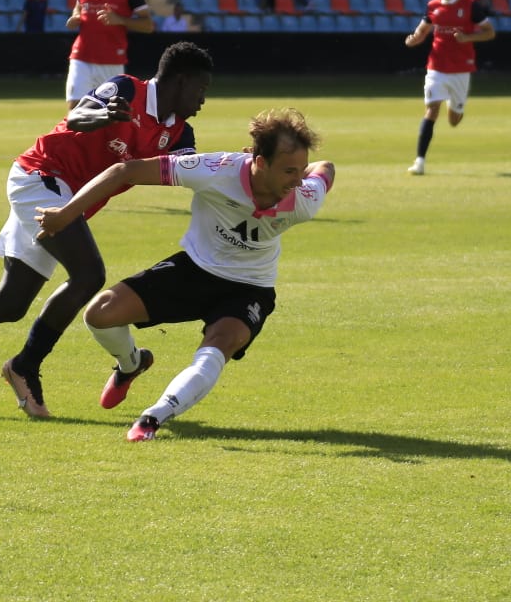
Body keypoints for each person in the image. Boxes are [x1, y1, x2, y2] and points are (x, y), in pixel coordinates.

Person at [0, 42, 215, 413]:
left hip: (61, 199)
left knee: (10, 303)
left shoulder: (181, 136)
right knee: (88, 275)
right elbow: (79, 118)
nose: (203, 100)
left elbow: (186, 173)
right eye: (201, 89)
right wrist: (105, 118)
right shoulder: (127, 89)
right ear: (181, 81)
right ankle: (25, 367)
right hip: (40, 178)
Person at [32, 108, 335, 441]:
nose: (296, 181)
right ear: (260, 162)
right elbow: (124, 171)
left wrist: (307, 170)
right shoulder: (215, 170)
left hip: (249, 288)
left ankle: (152, 418)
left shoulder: (303, 199)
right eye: (288, 171)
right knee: (99, 314)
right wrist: (66, 214)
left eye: (299, 170)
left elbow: (326, 169)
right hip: (193, 270)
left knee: (218, 346)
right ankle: (131, 364)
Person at [403, 0, 495, 175]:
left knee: (454, 120)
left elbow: (489, 32)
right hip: (436, 67)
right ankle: (419, 162)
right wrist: (414, 39)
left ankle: (456, 106)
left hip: (461, 70)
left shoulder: (470, 6)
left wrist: (468, 38)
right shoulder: (433, 5)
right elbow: (422, 30)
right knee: (432, 110)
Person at [64, 0, 156, 110]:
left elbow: (148, 25)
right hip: (81, 56)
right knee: (75, 110)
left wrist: (120, 20)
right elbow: (79, 6)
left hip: (111, 61)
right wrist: (75, 17)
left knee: (108, 115)